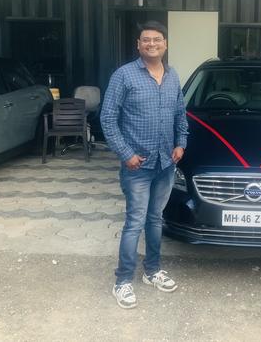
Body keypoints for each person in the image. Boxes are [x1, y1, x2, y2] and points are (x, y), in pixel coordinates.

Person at [101, 20, 188, 309]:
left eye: (157, 39)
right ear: (138, 45)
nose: (152, 44)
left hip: (166, 163)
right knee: (134, 222)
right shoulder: (124, 76)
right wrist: (125, 153)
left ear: (165, 44)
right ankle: (123, 281)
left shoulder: (173, 76)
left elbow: (180, 114)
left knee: (155, 219)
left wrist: (181, 143)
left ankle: (152, 271)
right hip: (137, 166)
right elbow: (107, 118)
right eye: (146, 40)